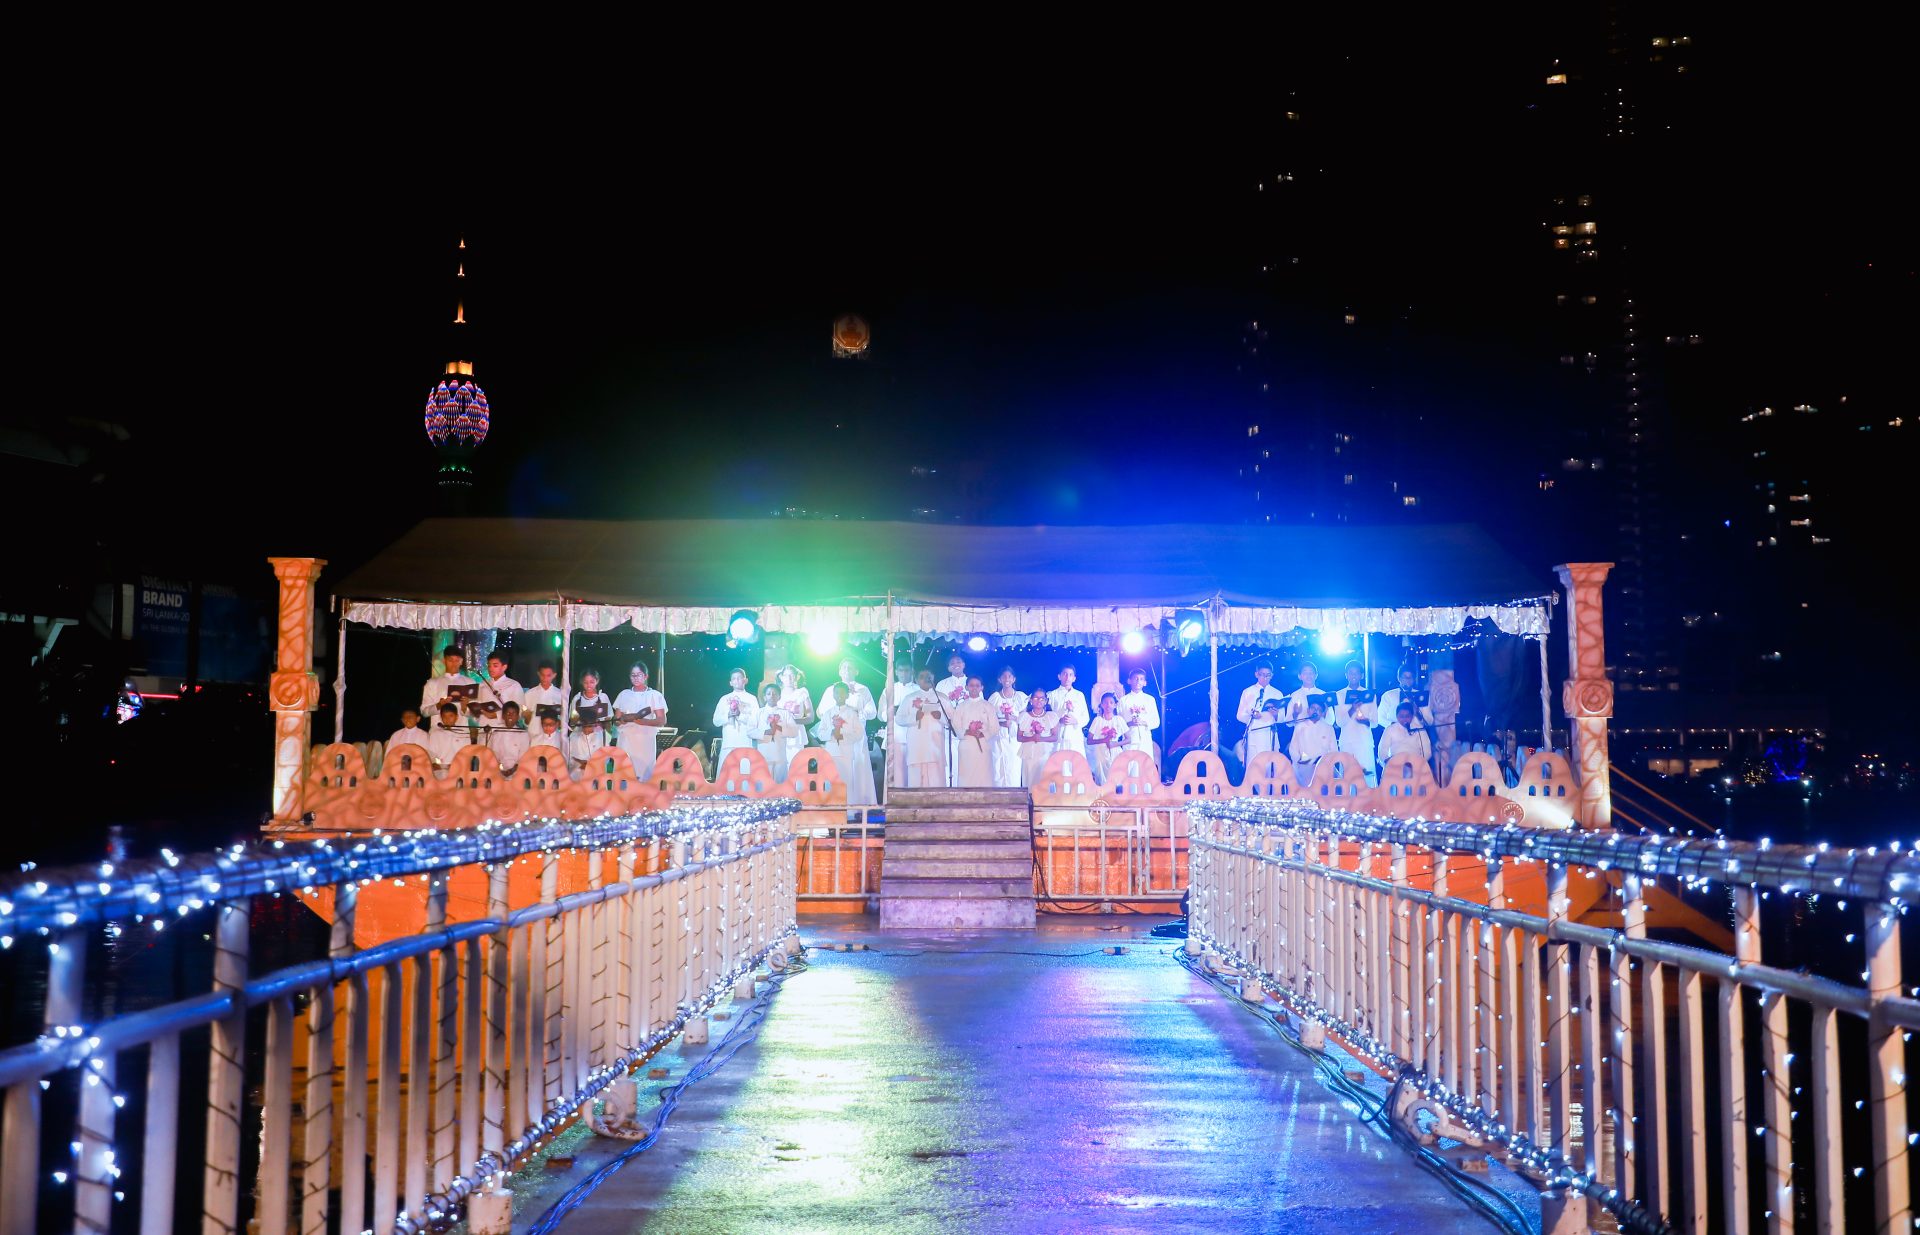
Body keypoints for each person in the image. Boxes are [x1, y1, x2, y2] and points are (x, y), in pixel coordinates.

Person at [813, 681, 876, 807]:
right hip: (831, 752)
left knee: (846, 781)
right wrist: (831, 732)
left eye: (842, 693)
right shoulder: (828, 713)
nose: (840, 696)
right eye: (837, 693)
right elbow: (820, 733)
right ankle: (832, 809)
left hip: (846, 752)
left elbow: (859, 733)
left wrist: (845, 735)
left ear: (847, 695)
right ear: (833, 695)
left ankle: (849, 811)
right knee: (831, 781)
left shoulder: (852, 714)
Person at [894, 669, 948, 788]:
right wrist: (914, 717)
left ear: (933, 677)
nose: (926, 679)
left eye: (928, 676)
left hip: (936, 747)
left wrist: (940, 717)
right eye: (922, 676)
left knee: (936, 783)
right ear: (917, 680)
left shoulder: (941, 697)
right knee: (916, 783)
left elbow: (952, 720)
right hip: (917, 748)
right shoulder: (910, 698)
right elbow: (899, 719)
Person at [611, 664, 667, 777]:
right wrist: (622, 720)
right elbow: (616, 719)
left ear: (645, 676)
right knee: (624, 774)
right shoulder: (624, 694)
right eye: (633, 675)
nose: (636, 678)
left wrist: (644, 722)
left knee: (643, 774)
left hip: (645, 742)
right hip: (626, 740)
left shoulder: (654, 695)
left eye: (639, 675)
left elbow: (662, 720)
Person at [1331, 660, 1379, 785]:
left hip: (1364, 741)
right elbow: (1339, 723)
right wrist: (1352, 709)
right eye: (1351, 673)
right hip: (1347, 741)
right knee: (1347, 778)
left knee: (1367, 777)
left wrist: (1365, 721)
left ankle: (1369, 798)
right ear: (1346, 675)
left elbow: (1375, 723)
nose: (1353, 675)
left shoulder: (1369, 695)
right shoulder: (1339, 695)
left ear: (1361, 675)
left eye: (1356, 673)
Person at [950, 676, 997, 788]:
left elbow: (995, 727)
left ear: (982, 688)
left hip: (983, 744)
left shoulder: (988, 706)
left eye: (977, 685)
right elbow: (955, 725)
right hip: (966, 745)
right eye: (971, 685)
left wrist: (983, 733)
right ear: (966, 687)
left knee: (983, 774)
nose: (974, 688)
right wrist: (967, 732)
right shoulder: (961, 706)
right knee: (967, 774)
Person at [877, 662, 916, 788]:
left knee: (913, 771)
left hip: (913, 736)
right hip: (895, 736)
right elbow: (880, 715)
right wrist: (890, 712)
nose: (904, 673)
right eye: (901, 670)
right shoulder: (889, 689)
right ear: (896, 672)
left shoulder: (917, 689)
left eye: (907, 670)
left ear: (912, 672)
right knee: (895, 772)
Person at [987, 668, 1028, 788]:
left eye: (1009, 676)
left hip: (1014, 737)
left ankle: (1014, 793)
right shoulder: (995, 697)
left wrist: (1013, 718)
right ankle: (998, 794)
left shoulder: (1020, 696)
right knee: (998, 766)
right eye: (1004, 676)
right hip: (998, 737)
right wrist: (1002, 723)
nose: (1007, 679)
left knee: (1013, 767)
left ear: (1014, 679)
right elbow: (989, 718)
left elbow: (1025, 718)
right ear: (999, 679)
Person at [1236, 663, 1286, 757]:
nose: (1265, 678)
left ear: (1272, 675)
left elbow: (1282, 718)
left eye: (1268, 675)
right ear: (1256, 674)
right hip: (1254, 734)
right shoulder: (1247, 692)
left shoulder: (1277, 693)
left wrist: (1275, 715)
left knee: (1270, 763)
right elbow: (1239, 715)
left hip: (1270, 734)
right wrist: (1252, 717)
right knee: (1253, 763)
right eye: (1262, 674)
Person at [934, 653, 970, 781]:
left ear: (964, 664)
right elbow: (936, 707)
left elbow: (979, 706)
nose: (956, 665)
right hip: (948, 732)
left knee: (967, 766)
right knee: (950, 765)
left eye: (958, 661)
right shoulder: (942, 684)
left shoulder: (972, 683)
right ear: (948, 668)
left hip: (967, 732)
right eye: (952, 663)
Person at [1377, 663, 1434, 739]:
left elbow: (1429, 721)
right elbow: (1379, 717)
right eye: (1405, 677)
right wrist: (1394, 726)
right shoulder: (1389, 695)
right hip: (1394, 736)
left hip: (1416, 737)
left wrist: (1418, 713)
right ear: (1399, 678)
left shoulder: (1421, 696)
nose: (1408, 680)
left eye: (1411, 677)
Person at [711, 668, 760, 754]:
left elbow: (756, 721)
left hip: (745, 743)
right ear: (730, 683)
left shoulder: (752, 699)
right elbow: (716, 721)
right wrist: (728, 715)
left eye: (739, 678)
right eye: (734, 678)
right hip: (728, 743)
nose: (736, 680)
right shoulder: (724, 699)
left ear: (745, 680)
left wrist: (740, 715)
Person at [774, 664, 814, 768]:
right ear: (781, 677)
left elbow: (810, 718)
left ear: (797, 677)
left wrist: (793, 721)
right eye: (786, 675)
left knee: (796, 767)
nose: (789, 678)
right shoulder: (777, 694)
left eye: (792, 675)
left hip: (797, 735)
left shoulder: (802, 693)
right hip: (780, 735)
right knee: (781, 769)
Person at [1288, 694, 1336, 776]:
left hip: (1323, 767)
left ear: (1322, 713)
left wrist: (1326, 764)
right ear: (1308, 710)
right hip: (1303, 767)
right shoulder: (1300, 726)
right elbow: (1293, 749)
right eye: (1313, 708)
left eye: (1318, 709)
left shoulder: (1328, 728)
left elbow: (1334, 750)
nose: (1315, 711)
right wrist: (1299, 760)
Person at [1016, 692, 1057, 787]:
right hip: (1029, 753)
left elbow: (1055, 737)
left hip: (1045, 752)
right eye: (1036, 698)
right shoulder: (1024, 716)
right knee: (1030, 778)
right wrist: (1032, 738)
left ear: (1046, 701)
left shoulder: (1051, 716)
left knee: (1044, 779)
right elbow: (1019, 737)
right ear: (1031, 700)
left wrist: (1041, 738)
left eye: (1042, 698)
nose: (1039, 701)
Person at [1046, 665, 1089, 755]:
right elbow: (1047, 716)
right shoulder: (1052, 695)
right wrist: (1058, 720)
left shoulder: (1079, 695)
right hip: (1058, 736)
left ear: (1074, 678)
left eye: (1070, 675)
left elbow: (1086, 717)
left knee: (1075, 761)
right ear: (1059, 676)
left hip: (1075, 737)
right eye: (1065, 674)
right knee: (1058, 761)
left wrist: (1076, 721)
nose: (1067, 677)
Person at [1118, 669, 1161, 757]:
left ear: (1145, 683)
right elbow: (1119, 723)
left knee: (1145, 764)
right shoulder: (1123, 700)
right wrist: (1130, 723)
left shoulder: (1150, 699)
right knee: (1130, 764)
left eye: (1141, 679)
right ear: (1129, 681)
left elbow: (1156, 722)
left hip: (1145, 740)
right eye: (1136, 678)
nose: (1138, 681)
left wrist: (1144, 723)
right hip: (1129, 740)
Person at [1087, 693, 1127, 785]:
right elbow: (1089, 740)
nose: (1108, 705)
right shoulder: (1097, 720)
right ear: (1101, 704)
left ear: (1115, 705)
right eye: (1105, 702)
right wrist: (1103, 740)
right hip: (1101, 753)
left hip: (1115, 751)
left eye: (1111, 702)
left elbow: (1128, 739)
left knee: (1116, 779)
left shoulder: (1119, 720)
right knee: (1102, 780)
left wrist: (1115, 744)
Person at [1379, 700, 1434, 766]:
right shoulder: (1390, 729)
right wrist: (1387, 761)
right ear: (1397, 716)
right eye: (1401, 716)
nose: (1404, 719)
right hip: (1396, 765)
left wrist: (1418, 762)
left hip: (1415, 764)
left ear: (1412, 716)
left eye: (1407, 716)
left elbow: (1427, 752)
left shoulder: (1419, 729)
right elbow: (1382, 750)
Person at [421, 646, 473, 714]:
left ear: (461, 661)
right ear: (444, 661)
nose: (453, 663)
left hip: (461, 721)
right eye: (450, 660)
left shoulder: (470, 683)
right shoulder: (432, 683)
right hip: (439, 721)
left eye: (457, 660)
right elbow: (424, 711)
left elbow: (475, 713)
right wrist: (439, 705)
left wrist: (464, 707)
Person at [755, 684, 792, 780]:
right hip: (764, 755)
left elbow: (793, 732)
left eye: (775, 694)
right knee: (764, 784)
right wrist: (765, 732)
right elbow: (750, 731)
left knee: (780, 785)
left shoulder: (785, 713)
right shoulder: (758, 713)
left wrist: (779, 728)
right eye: (769, 694)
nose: (772, 696)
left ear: (779, 697)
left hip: (780, 756)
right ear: (764, 697)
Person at [524, 663, 568, 738]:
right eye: (542, 675)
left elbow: (564, 720)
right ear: (538, 674)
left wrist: (560, 722)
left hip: (553, 738)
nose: (545, 678)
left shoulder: (560, 695)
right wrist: (526, 718)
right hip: (534, 736)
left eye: (548, 675)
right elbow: (524, 720)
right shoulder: (529, 694)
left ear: (554, 675)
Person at [427, 701, 469, 771]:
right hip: (440, 768)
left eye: (451, 716)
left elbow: (466, 754)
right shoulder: (435, 734)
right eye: (444, 716)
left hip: (459, 768)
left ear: (456, 717)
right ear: (441, 717)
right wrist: (434, 763)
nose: (447, 719)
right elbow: (431, 754)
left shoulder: (464, 734)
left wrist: (457, 764)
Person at [493, 701, 529, 771]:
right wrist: (499, 769)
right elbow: (494, 754)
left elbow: (523, 756)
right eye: (508, 713)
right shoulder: (497, 733)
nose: (510, 716)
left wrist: (513, 770)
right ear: (503, 716)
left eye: (513, 714)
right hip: (498, 770)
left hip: (518, 771)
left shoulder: (523, 734)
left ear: (518, 717)